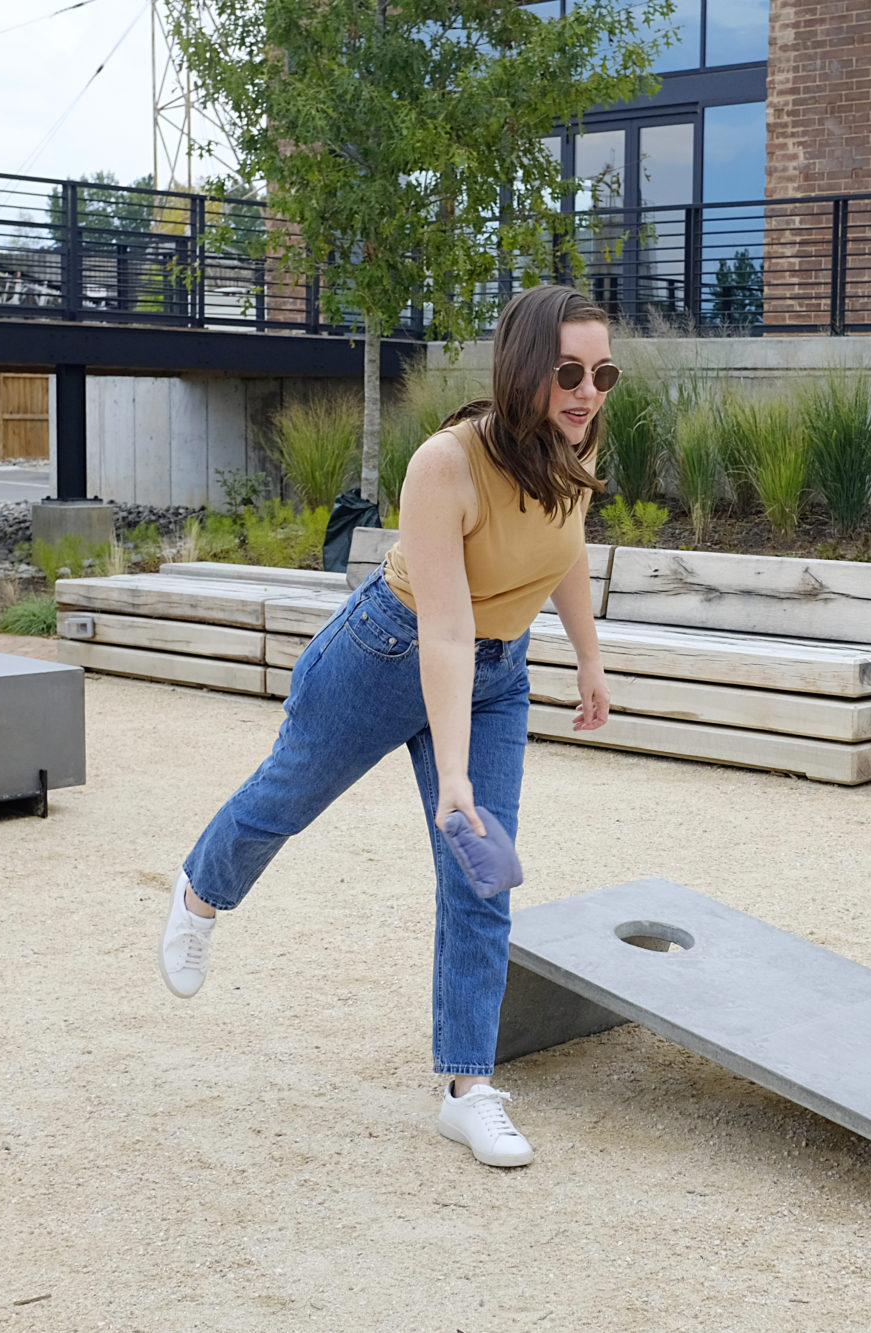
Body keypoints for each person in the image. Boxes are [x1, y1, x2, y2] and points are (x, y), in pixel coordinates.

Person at [156, 284, 616, 1168]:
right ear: (522, 368)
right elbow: (443, 631)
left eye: (602, 373)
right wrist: (452, 779)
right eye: (566, 370)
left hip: (496, 673)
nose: (587, 390)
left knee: (481, 877)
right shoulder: (448, 463)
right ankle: (198, 894)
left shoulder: (578, 445)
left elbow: (565, 552)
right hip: (387, 651)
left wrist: (589, 658)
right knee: (283, 798)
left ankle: (467, 1088)